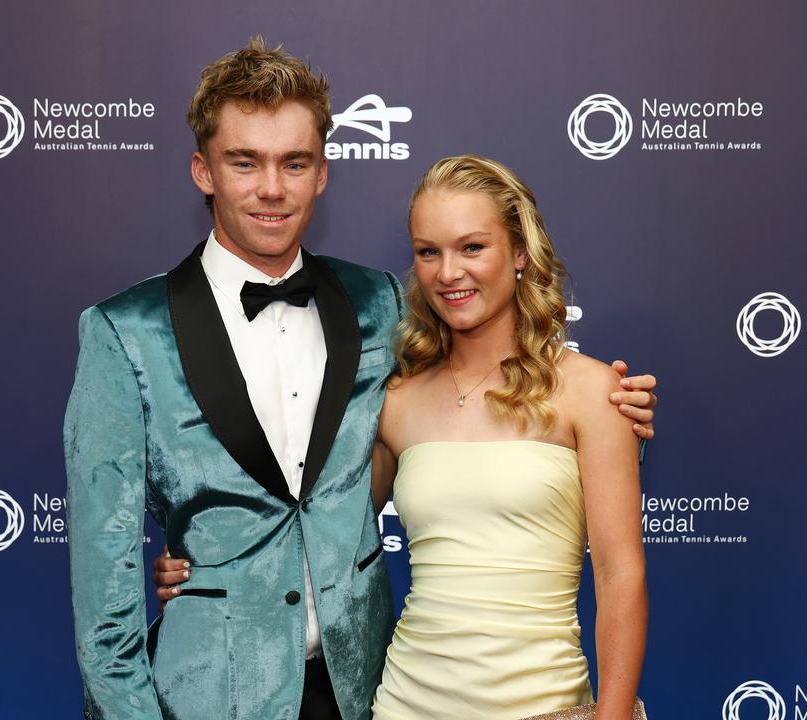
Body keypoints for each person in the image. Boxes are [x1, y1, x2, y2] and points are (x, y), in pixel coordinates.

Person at [69, 39, 658, 720]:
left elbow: (493, 423)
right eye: (244, 162)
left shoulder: (378, 304)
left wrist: (623, 419)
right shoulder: (124, 331)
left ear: (323, 172)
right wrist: (197, 555)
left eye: (294, 162)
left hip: (361, 689)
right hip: (211, 692)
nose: (271, 187)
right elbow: (104, 578)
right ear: (203, 170)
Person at [367, 155, 646, 720]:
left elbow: (620, 576)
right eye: (429, 251)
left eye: (472, 247)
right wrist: (197, 561)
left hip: (544, 708)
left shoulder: (594, 392)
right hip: (403, 708)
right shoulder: (395, 401)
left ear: (519, 252)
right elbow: (325, 545)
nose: (448, 273)